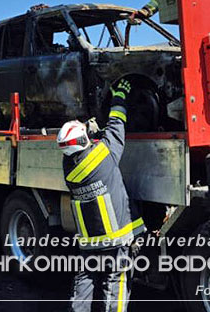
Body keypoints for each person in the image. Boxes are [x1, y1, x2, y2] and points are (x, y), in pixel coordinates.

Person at [58, 79, 145, 312]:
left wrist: (90, 131)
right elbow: (116, 125)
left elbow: (82, 147)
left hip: (89, 241)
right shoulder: (103, 156)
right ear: (85, 141)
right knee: (115, 281)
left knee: (85, 279)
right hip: (114, 239)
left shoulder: (68, 168)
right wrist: (118, 99)